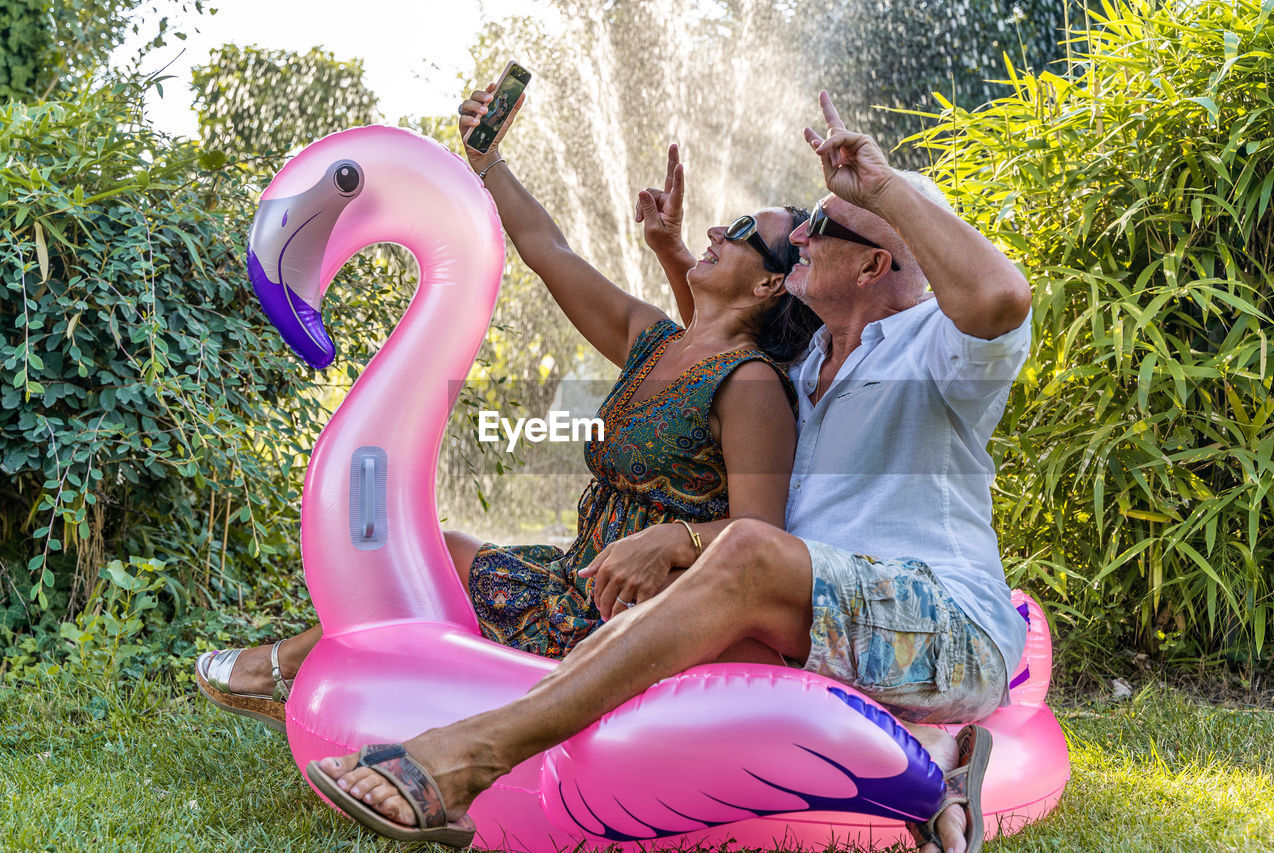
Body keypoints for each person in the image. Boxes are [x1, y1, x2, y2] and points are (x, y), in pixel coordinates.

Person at [309, 90, 1032, 853]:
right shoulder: (805, 357)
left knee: (741, 554)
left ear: (876, 263)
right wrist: (652, 240)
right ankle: (942, 761)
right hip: (829, 623)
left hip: (943, 623)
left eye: (823, 226)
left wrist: (885, 189)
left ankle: (463, 758)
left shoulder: (939, 350)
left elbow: (999, 298)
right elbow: (714, 329)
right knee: (647, 636)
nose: (805, 237)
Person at [194, 82, 821, 725]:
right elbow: (550, 254)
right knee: (438, 551)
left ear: (772, 280)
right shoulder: (654, 340)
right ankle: (308, 672)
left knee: (442, 562)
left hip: (634, 613)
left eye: (744, 230)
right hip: (577, 575)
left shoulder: (752, 386)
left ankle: (280, 669)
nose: (718, 227)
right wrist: (489, 163)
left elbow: (760, 538)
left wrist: (674, 539)